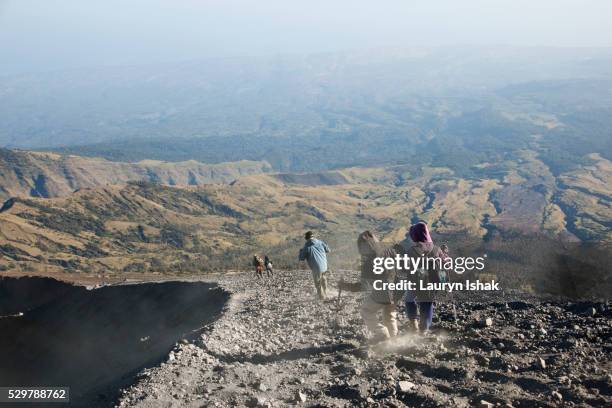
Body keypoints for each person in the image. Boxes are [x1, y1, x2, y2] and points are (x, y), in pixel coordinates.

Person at [396, 221, 449, 333]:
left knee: (409, 300)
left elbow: (404, 267)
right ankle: (424, 329)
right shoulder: (436, 249)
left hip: (415, 283)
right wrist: (444, 253)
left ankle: (413, 323)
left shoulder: (411, 251)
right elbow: (446, 264)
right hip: (432, 283)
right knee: (427, 303)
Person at [357, 231, 404, 343]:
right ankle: (394, 342)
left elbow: (364, 286)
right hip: (396, 289)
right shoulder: (389, 250)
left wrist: (344, 286)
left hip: (382, 293)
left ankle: (382, 333)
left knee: (366, 310)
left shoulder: (369, 261)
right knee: (389, 315)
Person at [299, 231, 330, 299]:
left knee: (318, 282)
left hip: (316, 267)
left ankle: (321, 296)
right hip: (324, 265)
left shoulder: (306, 247)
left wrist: (301, 251)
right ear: (313, 237)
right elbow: (328, 250)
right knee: (324, 278)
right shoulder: (320, 242)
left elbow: (302, 258)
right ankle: (326, 292)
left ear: (306, 238)